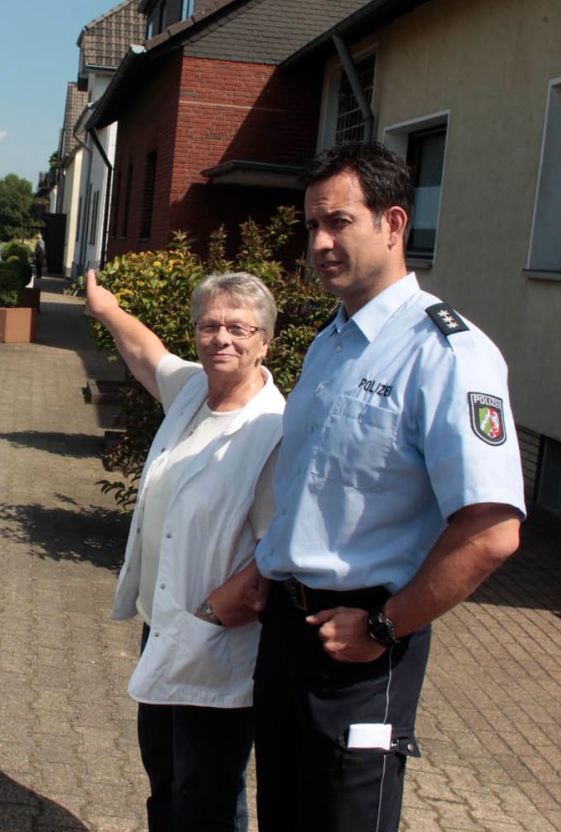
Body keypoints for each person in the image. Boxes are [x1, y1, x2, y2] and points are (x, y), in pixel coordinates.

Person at [235, 141, 525, 831]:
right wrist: (265, 564)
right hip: (287, 630)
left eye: (339, 221)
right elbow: (315, 486)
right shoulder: (329, 342)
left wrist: (383, 627)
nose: (321, 242)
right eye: (311, 226)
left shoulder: (448, 354)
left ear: (393, 224)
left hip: (361, 643)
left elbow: (491, 531)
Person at [85, 269, 284, 832]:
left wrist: (211, 613)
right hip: (163, 627)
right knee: (165, 779)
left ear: (265, 341)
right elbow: (147, 353)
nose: (223, 338)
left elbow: (276, 555)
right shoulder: (194, 390)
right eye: (210, 325)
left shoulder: (272, 430)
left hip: (215, 642)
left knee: (207, 797)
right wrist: (106, 308)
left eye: (239, 329)